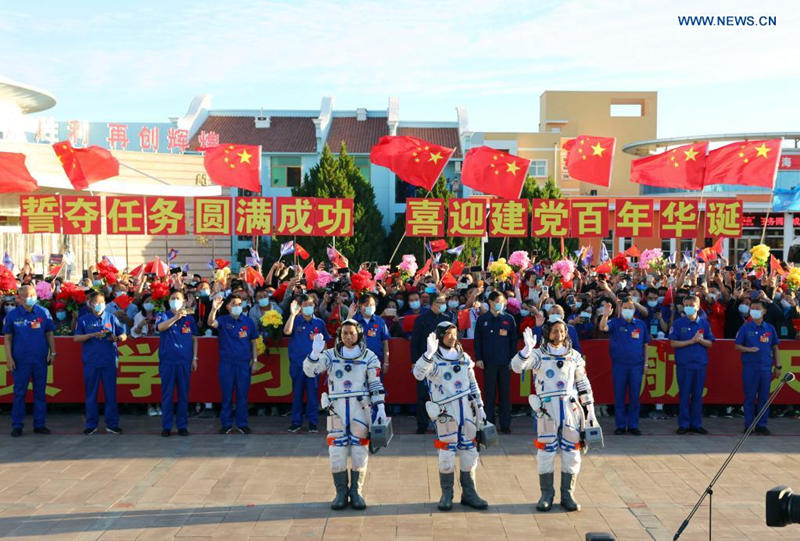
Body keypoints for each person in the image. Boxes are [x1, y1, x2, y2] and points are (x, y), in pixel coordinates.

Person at [511, 322, 595, 512]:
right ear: (547, 333)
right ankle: (546, 494)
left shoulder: (574, 356)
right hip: (547, 410)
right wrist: (526, 350)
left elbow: (583, 384)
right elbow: (516, 367)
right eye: (555, 331)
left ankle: (568, 494)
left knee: (572, 452)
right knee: (546, 452)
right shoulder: (538, 355)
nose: (559, 334)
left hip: (570, 409)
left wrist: (590, 410)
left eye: (562, 331)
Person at [303, 320, 387, 510]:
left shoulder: (369, 356)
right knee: (336, 452)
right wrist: (314, 354)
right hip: (337, 410)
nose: (348, 337)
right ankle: (340, 492)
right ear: (340, 335)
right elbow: (310, 372)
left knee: (359, 452)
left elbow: (375, 383)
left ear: (359, 334)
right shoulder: (330, 355)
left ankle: (356, 491)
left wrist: (380, 407)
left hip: (361, 409)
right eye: (345, 333)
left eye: (352, 333)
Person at [413, 321, 488, 511]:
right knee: (446, 452)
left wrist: (480, 405)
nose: (452, 337)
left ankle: (469, 493)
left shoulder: (464, 357)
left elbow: (473, 383)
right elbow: (418, 374)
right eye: (447, 334)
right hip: (446, 411)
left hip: (467, 409)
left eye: (454, 334)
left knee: (470, 451)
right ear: (439, 336)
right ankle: (446, 493)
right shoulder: (433, 359)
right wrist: (428, 354)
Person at [3, 284, 56, 437]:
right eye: (27, 296)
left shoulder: (43, 312)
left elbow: (49, 334)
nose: (31, 298)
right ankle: (17, 425)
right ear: (19, 298)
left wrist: (53, 352)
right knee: (19, 393)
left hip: (40, 360)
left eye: (33, 295)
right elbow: (8, 338)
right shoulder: (13, 315)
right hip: (20, 361)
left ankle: (39, 425)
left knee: (40, 393)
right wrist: (9, 358)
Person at [74, 291, 127, 435]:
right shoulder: (84, 319)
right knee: (91, 394)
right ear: (90, 304)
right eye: (96, 303)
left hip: (109, 361)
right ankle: (91, 424)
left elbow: (123, 334)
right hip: (91, 362)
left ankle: (112, 424)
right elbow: (76, 338)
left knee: (111, 394)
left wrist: (117, 338)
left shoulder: (111, 317)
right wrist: (92, 335)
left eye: (102, 302)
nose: (99, 305)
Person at [208, 294, 260, 434]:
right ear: (227, 306)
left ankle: (242, 423)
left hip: (243, 363)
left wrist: (255, 360)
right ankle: (226, 424)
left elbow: (254, 342)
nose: (237, 306)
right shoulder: (223, 320)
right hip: (227, 363)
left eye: (239, 304)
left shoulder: (248, 322)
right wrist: (213, 309)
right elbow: (211, 323)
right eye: (234, 304)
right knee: (227, 395)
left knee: (242, 395)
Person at [599, 300, 650, 435]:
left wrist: (646, 363)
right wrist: (605, 315)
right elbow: (603, 328)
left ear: (634, 309)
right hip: (619, 365)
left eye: (630, 308)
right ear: (621, 309)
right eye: (625, 307)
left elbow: (646, 345)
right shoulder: (615, 322)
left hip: (636, 366)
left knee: (635, 396)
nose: (628, 310)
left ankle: (633, 425)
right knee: (619, 396)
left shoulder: (640, 324)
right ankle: (621, 425)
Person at [284, 294, 331, 432]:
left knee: (312, 395)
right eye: (305, 305)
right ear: (300, 307)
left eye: (310, 305)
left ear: (314, 306)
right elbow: (287, 331)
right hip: (297, 364)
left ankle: (313, 422)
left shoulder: (319, 323)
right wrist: (292, 314)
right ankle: (296, 422)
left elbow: (324, 344)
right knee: (297, 394)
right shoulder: (296, 320)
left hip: (314, 365)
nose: (308, 307)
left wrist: (324, 363)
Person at [669, 295, 715, 435]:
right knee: (684, 395)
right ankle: (684, 424)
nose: (689, 307)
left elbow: (710, 343)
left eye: (692, 305)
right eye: (686, 305)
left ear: (698, 306)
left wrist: (700, 340)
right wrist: (691, 341)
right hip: (684, 365)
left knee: (697, 395)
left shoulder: (704, 324)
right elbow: (673, 343)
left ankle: (696, 424)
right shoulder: (678, 323)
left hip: (700, 365)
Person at [473, 291, 517, 433]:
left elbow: (513, 341)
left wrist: (513, 360)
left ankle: (505, 425)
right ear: (490, 302)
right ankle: (489, 424)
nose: (500, 304)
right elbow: (477, 340)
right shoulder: (483, 319)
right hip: (489, 363)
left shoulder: (509, 319)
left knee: (505, 394)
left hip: (504, 363)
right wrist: (479, 358)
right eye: (497, 301)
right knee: (489, 395)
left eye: (502, 301)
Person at [156, 290, 199, 436]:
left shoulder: (189, 319)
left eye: (178, 298)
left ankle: (182, 425)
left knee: (183, 395)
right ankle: (167, 426)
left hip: (184, 361)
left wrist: (194, 358)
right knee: (167, 395)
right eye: (172, 298)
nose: (175, 300)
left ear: (184, 301)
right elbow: (160, 327)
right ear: (169, 301)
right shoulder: (163, 315)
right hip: (168, 361)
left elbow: (194, 339)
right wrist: (175, 317)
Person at [734, 300, 780, 435]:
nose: (754, 311)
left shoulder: (770, 328)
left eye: (757, 308)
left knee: (764, 398)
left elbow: (775, 347)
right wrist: (748, 349)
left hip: (765, 368)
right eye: (752, 308)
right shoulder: (745, 328)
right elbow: (737, 346)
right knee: (749, 397)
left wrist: (778, 365)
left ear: (764, 311)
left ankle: (762, 425)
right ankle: (749, 425)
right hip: (750, 368)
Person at [410, 294, 451, 433]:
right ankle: (422, 425)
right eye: (440, 302)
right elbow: (414, 343)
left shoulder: (447, 319)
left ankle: (443, 424)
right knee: (423, 395)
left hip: (443, 363)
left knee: (443, 394)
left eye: (444, 302)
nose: (443, 304)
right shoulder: (421, 320)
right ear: (432, 303)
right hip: (425, 361)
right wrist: (414, 362)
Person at [350, 293, 391, 376]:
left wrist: (386, 362)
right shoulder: (353, 320)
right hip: (357, 363)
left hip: (375, 362)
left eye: (372, 305)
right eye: (367, 305)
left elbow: (385, 342)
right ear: (360, 306)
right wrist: (350, 315)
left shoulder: (380, 321)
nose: (370, 307)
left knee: (375, 383)